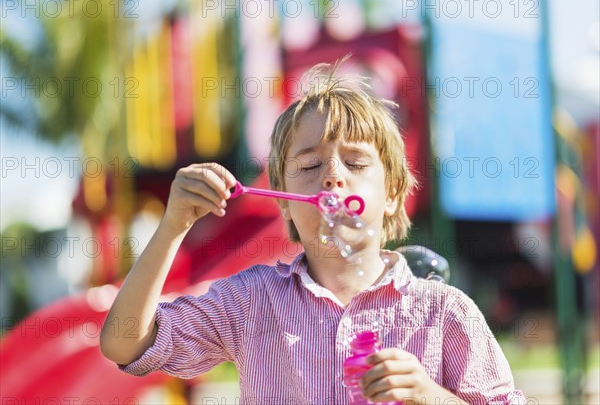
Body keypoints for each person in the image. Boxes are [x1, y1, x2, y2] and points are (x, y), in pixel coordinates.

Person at [100, 58, 526, 404]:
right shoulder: (252, 301)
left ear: (393, 193)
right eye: (308, 166)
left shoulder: (444, 312)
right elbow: (125, 344)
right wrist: (173, 227)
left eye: (356, 164)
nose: (333, 176)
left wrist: (432, 397)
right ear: (283, 199)